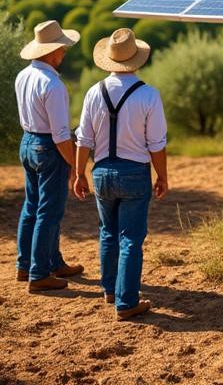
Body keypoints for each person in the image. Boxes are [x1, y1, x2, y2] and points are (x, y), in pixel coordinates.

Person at [73, 28, 169, 321]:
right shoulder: (149, 95)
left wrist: (79, 174)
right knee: (131, 238)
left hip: (101, 172)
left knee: (107, 232)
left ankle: (110, 289)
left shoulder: (93, 92)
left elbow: (83, 140)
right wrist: (162, 176)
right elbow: (157, 144)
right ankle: (127, 303)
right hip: (134, 173)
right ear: (137, 61)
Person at [15, 20, 86, 292]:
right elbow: (60, 134)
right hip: (49, 148)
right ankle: (40, 273)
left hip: (27, 142)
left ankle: (31, 265)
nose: (64, 53)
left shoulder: (23, 76)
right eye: (63, 49)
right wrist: (75, 166)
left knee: (32, 207)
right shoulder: (54, 86)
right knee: (49, 212)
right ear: (51, 51)